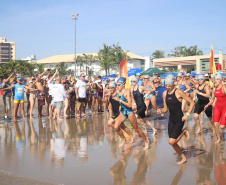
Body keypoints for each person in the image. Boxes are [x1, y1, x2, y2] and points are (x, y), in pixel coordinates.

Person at [157, 75, 195, 164]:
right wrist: (161, 111)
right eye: (166, 85)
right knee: (172, 143)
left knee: (172, 141)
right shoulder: (164, 94)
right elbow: (166, 109)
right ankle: (183, 158)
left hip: (179, 119)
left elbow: (192, 103)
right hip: (171, 119)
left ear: (173, 84)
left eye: (169, 85)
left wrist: (187, 114)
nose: (167, 87)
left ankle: (184, 131)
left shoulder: (179, 92)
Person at [114, 77, 150, 149]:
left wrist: (120, 100)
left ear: (123, 85)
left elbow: (129, 105)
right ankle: (123, 139)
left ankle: (146, 141)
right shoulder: (118, 92)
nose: (117, 86)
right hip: (123, 111)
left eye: (119, 85)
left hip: (129, 111)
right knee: (116, 126)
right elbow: (113, 95)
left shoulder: (127, 92)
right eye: (117, 85)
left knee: (136, 129)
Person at [108, 82, 134, 147]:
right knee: (122, 126)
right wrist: (110, 115)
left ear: (115, 88)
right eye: (109, 88)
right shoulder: (110, 95)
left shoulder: (118, 93)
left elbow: (126, 99)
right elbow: (110, 106)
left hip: (120, 112)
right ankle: (131, 136)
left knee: (110, 123)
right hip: (115, 112)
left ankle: (123, 138)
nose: (110, 89)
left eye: (112, 88)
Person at [205, 74, 226, 143]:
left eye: (217, 79)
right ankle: (219, 139)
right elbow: (212, 100)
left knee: (222, 126)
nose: (215, 81)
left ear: (220, 81)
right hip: (217, 108)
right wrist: (207, 105)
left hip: (224, 109)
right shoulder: (214, 89)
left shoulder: (224, 88)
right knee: (216, 124)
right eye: (215, 79)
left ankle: (223, 129)